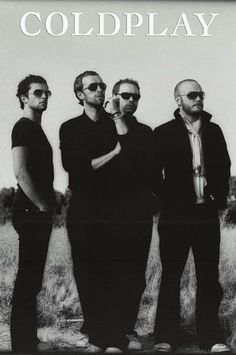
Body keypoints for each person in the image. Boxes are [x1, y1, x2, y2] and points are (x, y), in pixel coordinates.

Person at [59, 72, 153, 352]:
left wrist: (116, 146)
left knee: (116, 272)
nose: (100, 90)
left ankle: (116, 334)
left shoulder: (111, 123)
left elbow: (132, 157)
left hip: (115, 209)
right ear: (80, 94)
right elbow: (77, 168)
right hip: (85, 209)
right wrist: (112, 155)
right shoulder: (71, 127)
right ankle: (98, 334)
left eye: (102, 85)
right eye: (93, 87)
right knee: (88, 272)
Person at [152, 79, 231, 353]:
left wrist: (218, 198)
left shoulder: (214, 131)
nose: (198, 98)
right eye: (192, 94)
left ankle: (211, 337)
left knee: (209, 276)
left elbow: (224, 166)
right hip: (175, 215)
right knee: (172, 274)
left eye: (201, 94)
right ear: (178, 100)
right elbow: (152, 174)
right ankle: (165, 337)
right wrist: (168, 198)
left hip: (206, 214)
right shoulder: (162, 133)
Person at [11, 75, 54, 352]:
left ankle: (28, 339)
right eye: (37, 92)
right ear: (24, 98)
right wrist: (41, 206)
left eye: (47, 92)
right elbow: (20, 172)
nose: (44, 96)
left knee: (32, 278)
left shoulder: (35, 129)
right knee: (28, 279)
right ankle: (22, 343)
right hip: (30, 210)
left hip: (35, 210)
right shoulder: (24, 127)